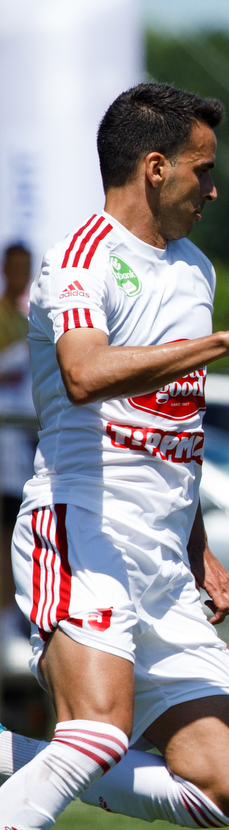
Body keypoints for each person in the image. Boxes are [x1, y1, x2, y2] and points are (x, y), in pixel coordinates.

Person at [0, 82, 229, 830]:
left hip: (163, 557)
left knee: (221, 784)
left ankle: (9, 756)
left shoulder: (196, 271)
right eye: (202, 169)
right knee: (96, 729)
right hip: (82, 531)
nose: (213, 186)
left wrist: (197, 540)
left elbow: (177, 423)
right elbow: (84, 374)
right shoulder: (80, 260)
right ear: (154, 168)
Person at [1, 243, 35, 664]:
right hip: (4, 440)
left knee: (14, 533)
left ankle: (13, 614)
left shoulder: (28, 317)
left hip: (23, 443)